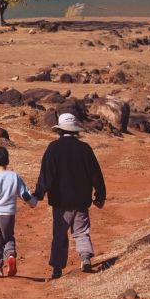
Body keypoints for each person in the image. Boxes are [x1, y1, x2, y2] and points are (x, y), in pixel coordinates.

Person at [34, 112, 106, 279]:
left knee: (59, 235)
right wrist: (100, 196)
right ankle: (85, 256)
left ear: (59, 130)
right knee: (81, 232)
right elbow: (96, 174)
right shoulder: (85, 149)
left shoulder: (53, 148)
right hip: (81, 201)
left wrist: (38, 194)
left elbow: (46, 175)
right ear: (75, 130)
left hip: (60, 202)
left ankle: (57, 269)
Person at [0, 144, 37, 279]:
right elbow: (25, 194)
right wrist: (33, 203)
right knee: (8, 237)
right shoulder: (14, 176)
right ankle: (11, 255)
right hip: (8, 216)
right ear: (7, 161)